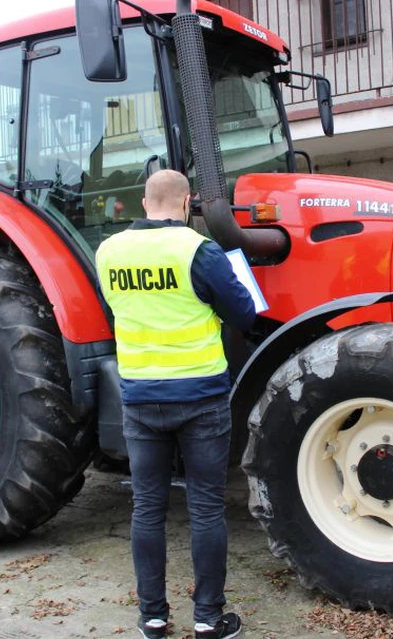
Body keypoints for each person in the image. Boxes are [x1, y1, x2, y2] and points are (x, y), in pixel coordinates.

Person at [96, 170, 256, 639]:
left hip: (142, 398)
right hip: (201, 398)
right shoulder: (197, 251)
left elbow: (117, 312)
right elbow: (243, 314)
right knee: (206, 508)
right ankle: (208, 619)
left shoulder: (109, 252)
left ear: (145, 203)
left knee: (147, 508)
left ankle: (152, 617)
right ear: (186, 202)